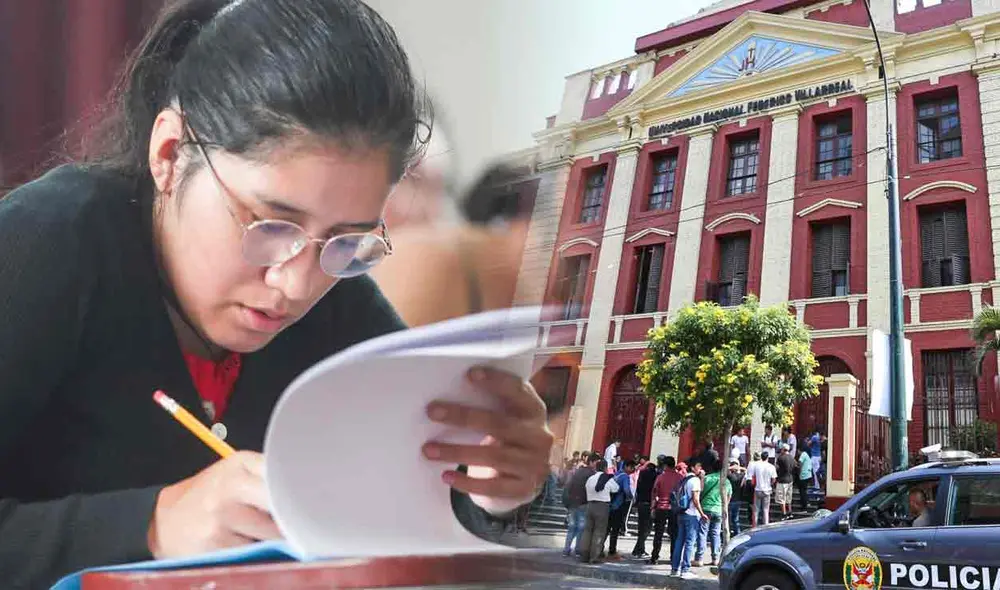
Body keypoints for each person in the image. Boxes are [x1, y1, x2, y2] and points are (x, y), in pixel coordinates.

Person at [0, 6, 557, 588]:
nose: (296, 285)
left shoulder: (340, 297)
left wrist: (499, 491)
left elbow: (421, 514)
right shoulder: (47, 244)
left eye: (348, 239)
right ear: (168, 154)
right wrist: (151, 524)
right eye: (270, 226)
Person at [670, 462, 707, 579]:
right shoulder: (695, 480)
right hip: (691, 514)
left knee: (679, 541)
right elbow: (696, 499)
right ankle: (685, 569)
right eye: (698, 467)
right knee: (690, 542)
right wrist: (702, 514)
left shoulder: (684, 479)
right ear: (692, 467)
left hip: (681, 513)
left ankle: (674, 569)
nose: (700, 469)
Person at [579, 460, 619, 563]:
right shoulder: (608, 479)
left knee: (587, 531)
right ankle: (594, 557)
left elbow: (585, 488)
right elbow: (616, 489)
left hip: (590, 505)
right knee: (599, 532)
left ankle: (584, 555)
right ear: (605, 468)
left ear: (596, 468)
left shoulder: (590, 479)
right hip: (602, 506)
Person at [562, 453, 600, 556]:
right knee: (581, 527)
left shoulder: (578, 471)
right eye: (596, 463)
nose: (596, 465)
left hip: (573, 502)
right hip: (583, 502)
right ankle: (577, 549)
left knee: (572, 527)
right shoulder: (592, 474)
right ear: (591, 462)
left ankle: (566, 549)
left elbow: (569, 485)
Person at [647, 456, 681, 566]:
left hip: (661, 507)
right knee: (674, 534)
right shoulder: (680, 477)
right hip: (674, 509)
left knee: (658, 533)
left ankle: (654, 557)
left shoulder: (661, 477)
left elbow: (654, 492)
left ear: (665, 465)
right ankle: (673, 557)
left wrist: (652, 507)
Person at [696, 462, 731, 566]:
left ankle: (699, 558)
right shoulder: (726, 481)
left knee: (703, 533)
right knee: (715, 534)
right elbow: (728, 496)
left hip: (706, 508)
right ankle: (715, 558)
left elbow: (700, 491)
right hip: (719, 509)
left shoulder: (707, 478)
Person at [631, 457, 660, 558]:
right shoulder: (655, 476)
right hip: (649, 503)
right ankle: (639, 549)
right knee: (647, 528)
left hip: (641, 502)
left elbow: (637, 488)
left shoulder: (642, 476)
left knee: (641, 527)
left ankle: (638, 549)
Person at [606, 460, 636, 558]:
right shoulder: (625, 477)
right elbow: (626, 490)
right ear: (627, 466)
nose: (633, 470)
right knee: (615, 530)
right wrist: (631, 497)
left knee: (606, 529)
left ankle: (599, 547)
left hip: (610, 505)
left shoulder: (616, 474)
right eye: (632, 468)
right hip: (618, 505)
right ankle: (612, 550)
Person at [746, 452, 776, 527]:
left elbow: (753, 477)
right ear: (767, 457)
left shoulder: (757, 466)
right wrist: (770, 484)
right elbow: (774, 479)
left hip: (758, 489)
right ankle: (765, 526)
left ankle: (754, 526)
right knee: (766, 510)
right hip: (767, 490)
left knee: (756, 510)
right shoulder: (771, 466)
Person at [774, 444, 796, 520]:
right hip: (790, 479)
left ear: (783, 449)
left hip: (782, 480)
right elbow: (795, 467)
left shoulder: (780, 458)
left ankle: (784, 514)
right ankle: (790, 512)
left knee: (781, 498)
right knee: (788, 497)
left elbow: (776, 468)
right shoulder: (792, 458)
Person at [727, 459, 747, 535]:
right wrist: (740, 468)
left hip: (730, 500)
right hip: (738, 500)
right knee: (736, 519)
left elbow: (724, 470)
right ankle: (737, 533)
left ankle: (728, 532)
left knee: (728, 518)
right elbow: (746, 470)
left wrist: (731, 467)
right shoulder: (741, 476)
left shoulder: (730, 476)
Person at [796, 447, 813, 512]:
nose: (797, 453)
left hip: (804, 475)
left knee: (802, 491)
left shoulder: (803, 454)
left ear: (799, 450)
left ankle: (804, 506)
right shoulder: (807, 455)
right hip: (808, 475)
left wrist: (798, 473)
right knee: (804, 490)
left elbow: (800, 464)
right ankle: (807, 502)